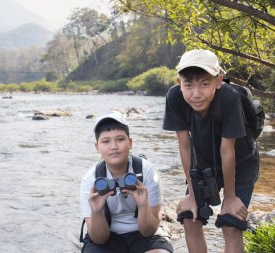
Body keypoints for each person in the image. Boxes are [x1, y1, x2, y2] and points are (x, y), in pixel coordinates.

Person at [163, 49, 260, 253]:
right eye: (188, 85)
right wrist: (190, 194)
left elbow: (227, 150)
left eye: (204, 84)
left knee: (231, 224)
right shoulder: (174, 97)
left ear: (218, 81)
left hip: (241, 163)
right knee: (190, 218)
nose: (196, 94)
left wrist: (231, 197)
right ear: (179, 82)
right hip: (203, 163)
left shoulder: (229, 97)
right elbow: (185, 145)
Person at [80, 110, 174, 253]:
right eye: (106, 141)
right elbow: (99, 239)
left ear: (130, 142)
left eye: (120, 139)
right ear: (97, 147)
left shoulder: (146, 171)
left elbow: (149, 231)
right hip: (109, 236)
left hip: (143, 235)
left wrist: (143, 205)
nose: (114, 146)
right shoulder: (90, 180)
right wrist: (97, 212)